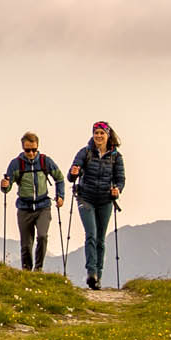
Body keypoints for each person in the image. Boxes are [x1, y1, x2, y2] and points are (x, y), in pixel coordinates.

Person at [68, 121, 124, 289]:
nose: (99, 136)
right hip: (86, 198)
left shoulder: (116, 156)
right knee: (91, 234)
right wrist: (73, 172)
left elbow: (120, 179)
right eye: (96, 133)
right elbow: (71, 176)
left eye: (102, 133)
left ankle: (98, 277)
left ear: (108, 135)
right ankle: (91, 273)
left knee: (100, 238)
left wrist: (118, 190)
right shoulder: (85, 152)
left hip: (105, 200)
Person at [0, 132, 65, 271]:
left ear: (37, 147)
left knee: (42, 236)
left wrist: (60, 196)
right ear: (23, 148)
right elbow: (7, 187)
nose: (31, 153)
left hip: (43, 207)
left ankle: (38, 269)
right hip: (24, 208)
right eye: (28, 150)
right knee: (26, 244)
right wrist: (5, 185)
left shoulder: (45, 161)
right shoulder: (16, 164)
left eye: (34, 149)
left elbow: (59, 178)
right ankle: (26, 270)